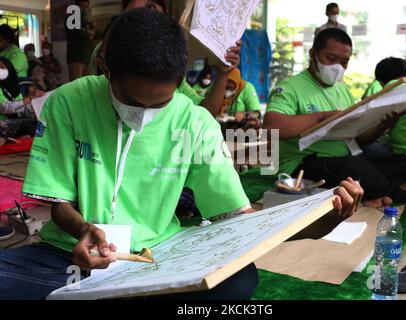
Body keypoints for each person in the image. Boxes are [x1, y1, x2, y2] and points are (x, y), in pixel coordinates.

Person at [0, 9, 363, 300]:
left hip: (157, 258)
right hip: (70, 255)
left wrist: (320, 223)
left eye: (160, 104)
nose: (144, 115)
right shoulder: (69, 101)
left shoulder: (194, 122)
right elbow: (59, 202)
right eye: (133, 102)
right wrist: (84, 231)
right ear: (106, 69)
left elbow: (237, 221)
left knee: (239, 281)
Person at [260, 28, 406, 208]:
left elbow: (357, 139)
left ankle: (378, 193)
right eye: (331, 59)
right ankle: (394, 192)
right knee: (355, 168)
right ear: (313, 54)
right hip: (303, 164)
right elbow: (271, 128)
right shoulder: (290, 87)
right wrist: (322, 117)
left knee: (400, 161)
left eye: (344, 62)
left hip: (345, 156)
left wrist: (381, 127)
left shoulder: (342, 90)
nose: (338, 67)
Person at [91, 0, 242, 118]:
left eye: (152, 9)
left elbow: (205, 114)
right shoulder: (108, 57)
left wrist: (223, 74)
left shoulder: (169, 71)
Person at [0, 57, 43, 138]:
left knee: (42, 122)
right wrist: (29, 98)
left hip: (13, 121)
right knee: (29, 127)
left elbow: (20, 108)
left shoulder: (14, 87)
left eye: (2, 67)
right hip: (2, 123)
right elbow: (4, 108)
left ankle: (39, 143)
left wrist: (35, 109)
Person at [66, 0, 96, 80]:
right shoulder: (71, 17)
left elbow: (95, 33)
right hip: (76, 56)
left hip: (87, 56)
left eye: (86, 7)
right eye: (82, 7)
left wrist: (87, 31)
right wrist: (88, 33)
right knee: (76, 83)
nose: (84, 9)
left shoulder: (85, 20)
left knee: (87, 83)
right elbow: (76, 32)